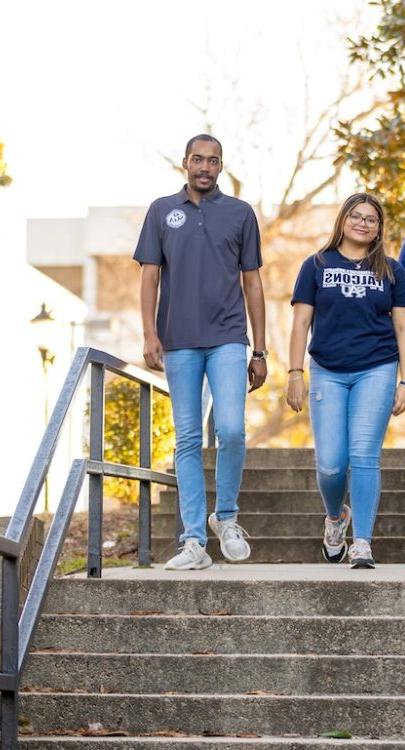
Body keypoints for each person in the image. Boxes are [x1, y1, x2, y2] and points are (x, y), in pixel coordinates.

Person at [136, 133, 267, 571]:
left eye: (213, 161)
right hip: (178, 342)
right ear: (185, 163)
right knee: (188, 439)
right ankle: (193, 540)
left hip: (229, 337)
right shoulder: (161, 212)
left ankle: (225, 517)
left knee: (231, 430)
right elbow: (149, 277)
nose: (205, 168)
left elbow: (253, 283)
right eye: (198, 159)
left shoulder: (240, 213)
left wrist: (261, 349)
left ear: (221, 167)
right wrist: (150, 334)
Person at [286, 193, 405, 569]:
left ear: (378, 229)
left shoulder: (392, 271)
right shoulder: (316, 265)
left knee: (363, 456)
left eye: (371, 219)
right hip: (327, 370)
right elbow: (300, 323)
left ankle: (362, 542)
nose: (362, 223)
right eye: (356, 216)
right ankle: (335, 518)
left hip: (376, 368)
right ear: (343, 220)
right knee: (330, 464)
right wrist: (295, 372)